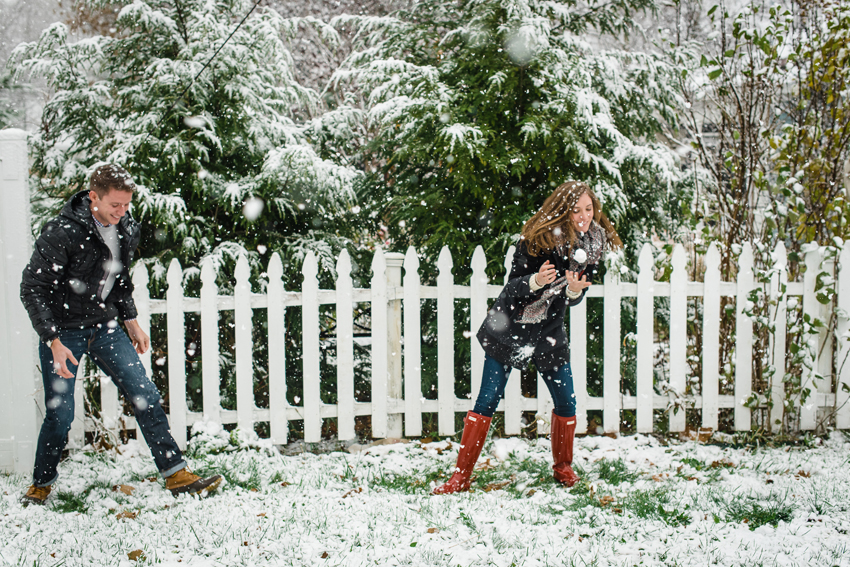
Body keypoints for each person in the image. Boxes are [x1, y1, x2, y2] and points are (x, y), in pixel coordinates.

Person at [19, 164, 222, 506]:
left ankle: (175, 473)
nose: (122, 212)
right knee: (61, 412)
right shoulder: (62, 231)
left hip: (105, 326)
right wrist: (52, 340)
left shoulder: (125, 226)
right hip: (63, 332)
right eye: (115, 205)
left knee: (145, 393)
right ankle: (41, 483)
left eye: (127, 204)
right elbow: (33, 288)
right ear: (93, 197)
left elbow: (119, 279)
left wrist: (131, 321)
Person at [433, 181, 621, 494]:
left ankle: (563, 469)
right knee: (488, 399)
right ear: (563, 210)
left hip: (548, 330)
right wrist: (534, 281)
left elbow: (573, 296)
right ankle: (460, 477)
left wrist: (574, 291)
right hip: (510, 327)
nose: (584, 216)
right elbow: (511, 288)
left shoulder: (591, 244)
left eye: (589, 209)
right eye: (576, 210)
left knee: (566, 401)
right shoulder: (537, 240)